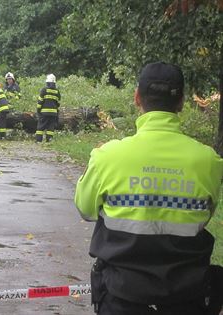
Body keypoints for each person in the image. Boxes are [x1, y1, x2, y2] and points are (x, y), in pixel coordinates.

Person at [74, 62, 223, 315]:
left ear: (136, 98)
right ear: (182, 103)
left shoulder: (107, 156)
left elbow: (85, 209)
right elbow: (204, 217)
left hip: (121, 298)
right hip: (187, 298)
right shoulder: (209, 161)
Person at [35, 74, 60, 143]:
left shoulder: (44, 90)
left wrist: (38, 110)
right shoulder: (57, 91)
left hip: (44, 113)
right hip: (54, 114)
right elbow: (58, 103)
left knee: (40, 127)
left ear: (47, 82)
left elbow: (40, 102)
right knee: (50, 128)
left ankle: (38, 140)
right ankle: (49, 141)